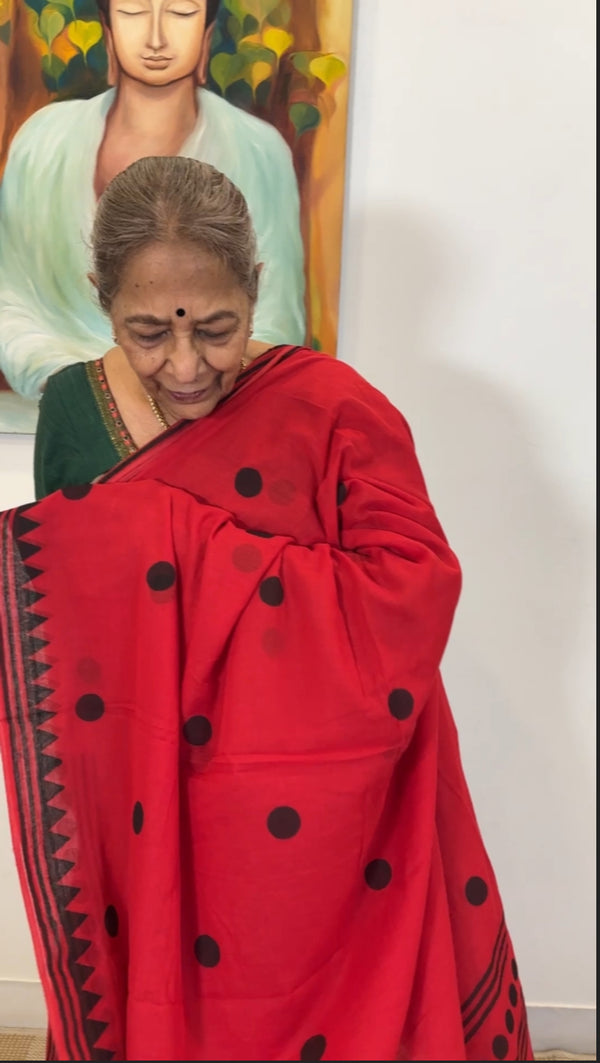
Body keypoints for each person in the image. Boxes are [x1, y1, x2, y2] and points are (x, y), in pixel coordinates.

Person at [0, 157, 533, 1062]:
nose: (184, 364)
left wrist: (177, 540)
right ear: (100, 298)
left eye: (217, 328)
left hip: (333, 822)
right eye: (146, 332)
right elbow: (82, 633)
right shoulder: (72, 409)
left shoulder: (333, 409)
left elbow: (412, 586)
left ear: (255, 283)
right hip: (153, 803)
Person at [0, 0, 305, 402]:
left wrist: (192, 380)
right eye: (133, 12)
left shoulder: (259, 151)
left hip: (214, 405)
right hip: (61, 401)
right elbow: (10, 302)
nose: (156, 38)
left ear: (208, 32)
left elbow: (276, 320)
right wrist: (81, 392)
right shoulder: (41, 142)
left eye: (180, 13)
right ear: (108, 29)